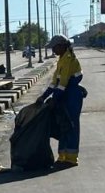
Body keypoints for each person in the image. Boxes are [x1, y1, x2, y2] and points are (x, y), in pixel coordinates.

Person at [36, 35, 84, 168]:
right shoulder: (61, 60)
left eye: (55, 47)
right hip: (64, 96)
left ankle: (71, 159)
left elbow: (63, 83)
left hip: (72, 96)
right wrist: (44, 96)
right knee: (63, 127)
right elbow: (54, 82)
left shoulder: (68, 59)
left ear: (62, 45)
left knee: (71, 126)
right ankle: (62, 157)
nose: (53, 50)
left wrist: (54, 99)